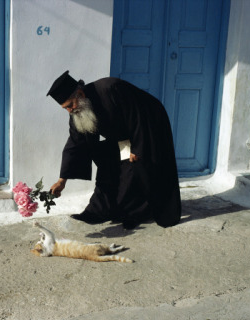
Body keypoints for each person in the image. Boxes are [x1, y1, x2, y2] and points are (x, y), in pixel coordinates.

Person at [47, 70, 181, 228]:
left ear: (80, 94)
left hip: (150, 124)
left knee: (143, 167)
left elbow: (137, 115)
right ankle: (104, 210)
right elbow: (76, 143)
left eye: (70, 105)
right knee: (111, 162)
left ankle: (144, 211)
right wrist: (62, 180)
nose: (70, 111)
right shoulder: (77, 111)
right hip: (126, 136)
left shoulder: (110, 88)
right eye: (66, 109)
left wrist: (137, 148)